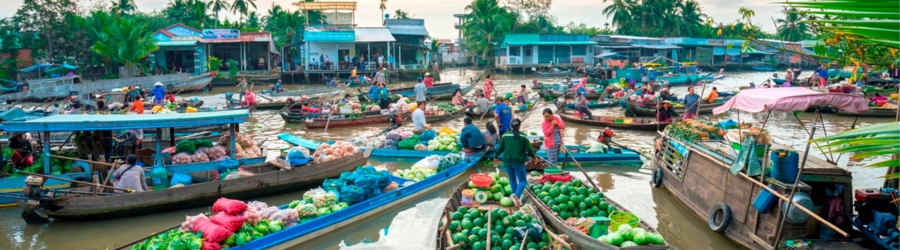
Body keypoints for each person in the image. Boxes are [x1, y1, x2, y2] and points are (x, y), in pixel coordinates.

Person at [492, 118, 535, 206]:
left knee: (512, 180)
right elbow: (529, 149)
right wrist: (534, 157)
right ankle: (516, 195)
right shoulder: (523, 136)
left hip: (507, 161)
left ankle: (515, 200)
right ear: (519, 126)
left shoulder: (505, 136)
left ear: (510, 126)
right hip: (518, 162)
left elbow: (500, 148)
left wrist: (495, 157)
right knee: (523, 181)